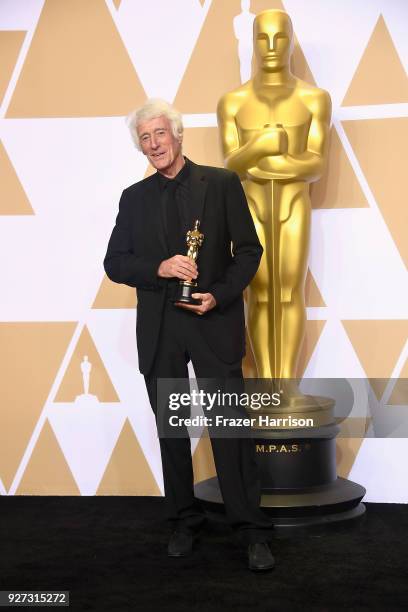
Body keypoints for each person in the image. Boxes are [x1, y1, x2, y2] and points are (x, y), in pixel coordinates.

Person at [103, 98, 275, 571]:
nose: (154, 143)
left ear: (178, 136)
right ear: (140, 146)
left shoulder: (221, 183)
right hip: (161, 328)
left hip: (212, 321)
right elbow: (115, 263)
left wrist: (218, 296)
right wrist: (158, 266)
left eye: (160, 133)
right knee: (172, 431)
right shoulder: (132, 199)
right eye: (145, 137)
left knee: (230, 430)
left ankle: (251, 529)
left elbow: (248, 251)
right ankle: (183, 520)